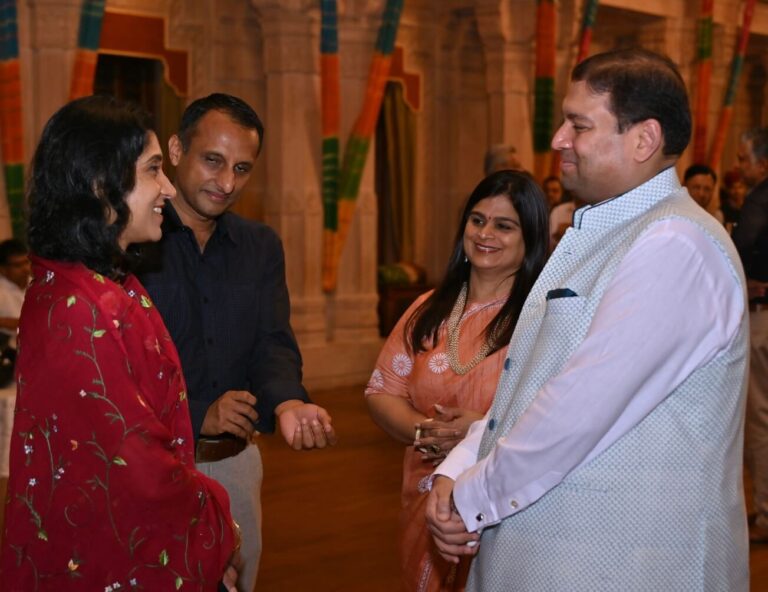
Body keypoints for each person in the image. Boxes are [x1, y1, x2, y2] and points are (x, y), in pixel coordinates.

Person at [426, 48, 749, 591]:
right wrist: (455, 467)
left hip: (627, 566)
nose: (558, 139)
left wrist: (471, 496)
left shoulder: (674, 243)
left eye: (578, 124)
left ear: (643, 140)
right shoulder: (606, 229)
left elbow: (579, 404)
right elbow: (534, 387)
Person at [0, 95, 239, 590]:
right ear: (99, 184)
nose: (169, 188)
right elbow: (136, 466)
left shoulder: (94, 284)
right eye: (154, 169)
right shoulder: (80, 309)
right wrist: (217, 521)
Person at [137, 93, 337, 592]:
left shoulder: (260, 246)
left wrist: (287, 400)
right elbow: (117, 372)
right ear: (178, 149)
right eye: (213, 161)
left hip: (235, 465)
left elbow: (272, 342)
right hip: (146, 470)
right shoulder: (133, 245)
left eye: (242, 169)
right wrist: (199, 410)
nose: (227, 183)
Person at [366, 170, 549, 591]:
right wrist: (425, 431)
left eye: (505, 226)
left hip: (502, 500)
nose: (486, 234)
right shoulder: (429, 308)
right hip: (424, 491)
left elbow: (552, 415)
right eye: (477, 220)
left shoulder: (539, 320)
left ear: (529, 240)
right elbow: (381, 391)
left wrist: (476, 432)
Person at [731, 126, 768, 545]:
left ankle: (766, 514)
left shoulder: (760, 198)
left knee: (759, 417)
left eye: (744, 160)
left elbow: (740, 245)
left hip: (762, 317)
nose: (739, 168)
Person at [0, 239, 30, 349]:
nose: (25, 269)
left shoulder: (38, 285)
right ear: (3, 270)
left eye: (26, 262)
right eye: (18, 265)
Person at [722, 168, 748, 233]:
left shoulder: (750, 208)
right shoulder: (722, 211)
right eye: (733, 187)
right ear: (728, 189)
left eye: (740, 187)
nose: (737, 191)